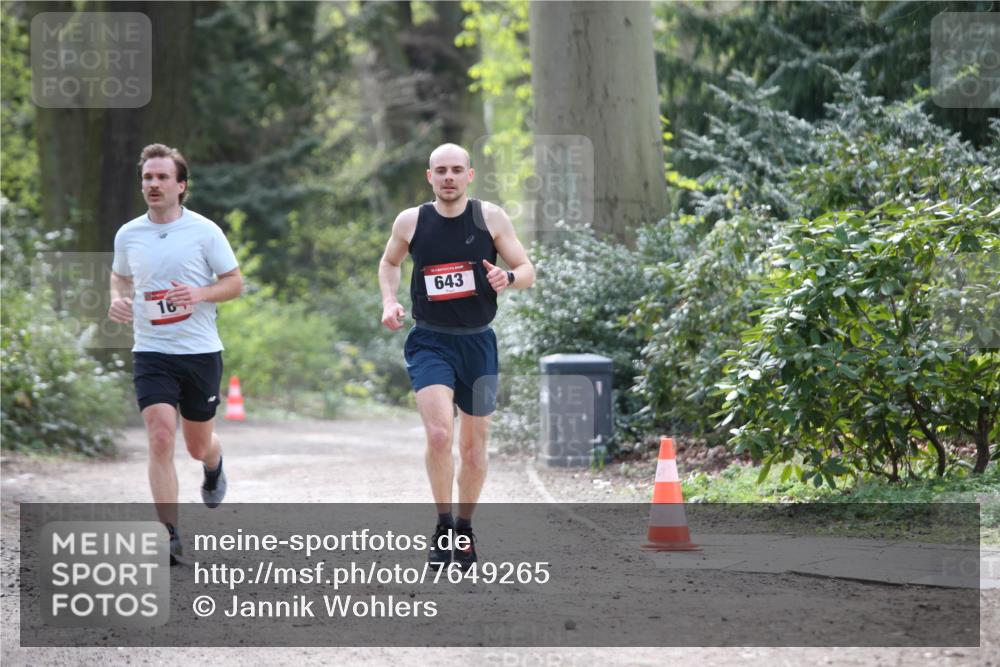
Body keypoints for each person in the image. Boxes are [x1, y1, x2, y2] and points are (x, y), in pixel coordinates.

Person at [378, 143, 535, 570]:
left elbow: (527, 270)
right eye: (440, 171)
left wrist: (509, 276)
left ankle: (464, 528)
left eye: (456, 170)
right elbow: (389, 262)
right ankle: (443, 525)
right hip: (429, 340)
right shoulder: (411, 221)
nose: (448, 177)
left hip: (478, 343)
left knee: (473, 450)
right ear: (430, 177)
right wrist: (389, 300)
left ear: (470, 175)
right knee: (439, 436)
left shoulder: (491, 217)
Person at [108, 143, 243, 564]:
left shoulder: (205, 231)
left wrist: (200, 293)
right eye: (148, 177)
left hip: (200, 352)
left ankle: (214, 461)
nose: (153, 184)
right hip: (152, 350)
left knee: (196, 445)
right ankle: (168, 534)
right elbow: (119, 276)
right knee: (161, 434)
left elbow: (235, 283)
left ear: (180, 185)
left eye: (163, 177)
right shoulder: (128, 234)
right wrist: (117, 299)